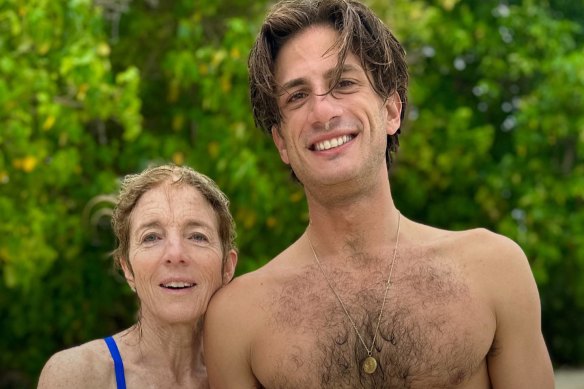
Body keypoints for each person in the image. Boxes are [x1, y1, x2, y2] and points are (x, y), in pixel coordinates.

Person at [204, 0, 554, 387]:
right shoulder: (238, 319)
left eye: (344, 83)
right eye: (297, 96)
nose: (322, 112)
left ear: (391, 111)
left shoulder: (494, 271)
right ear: (281, 142)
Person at [38, 164, 237, 388]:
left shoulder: (253, 375)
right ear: (127, 269)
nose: (175, 254)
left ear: (227, 266)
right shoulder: (77, 376)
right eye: (151, 237)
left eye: (197, 236)